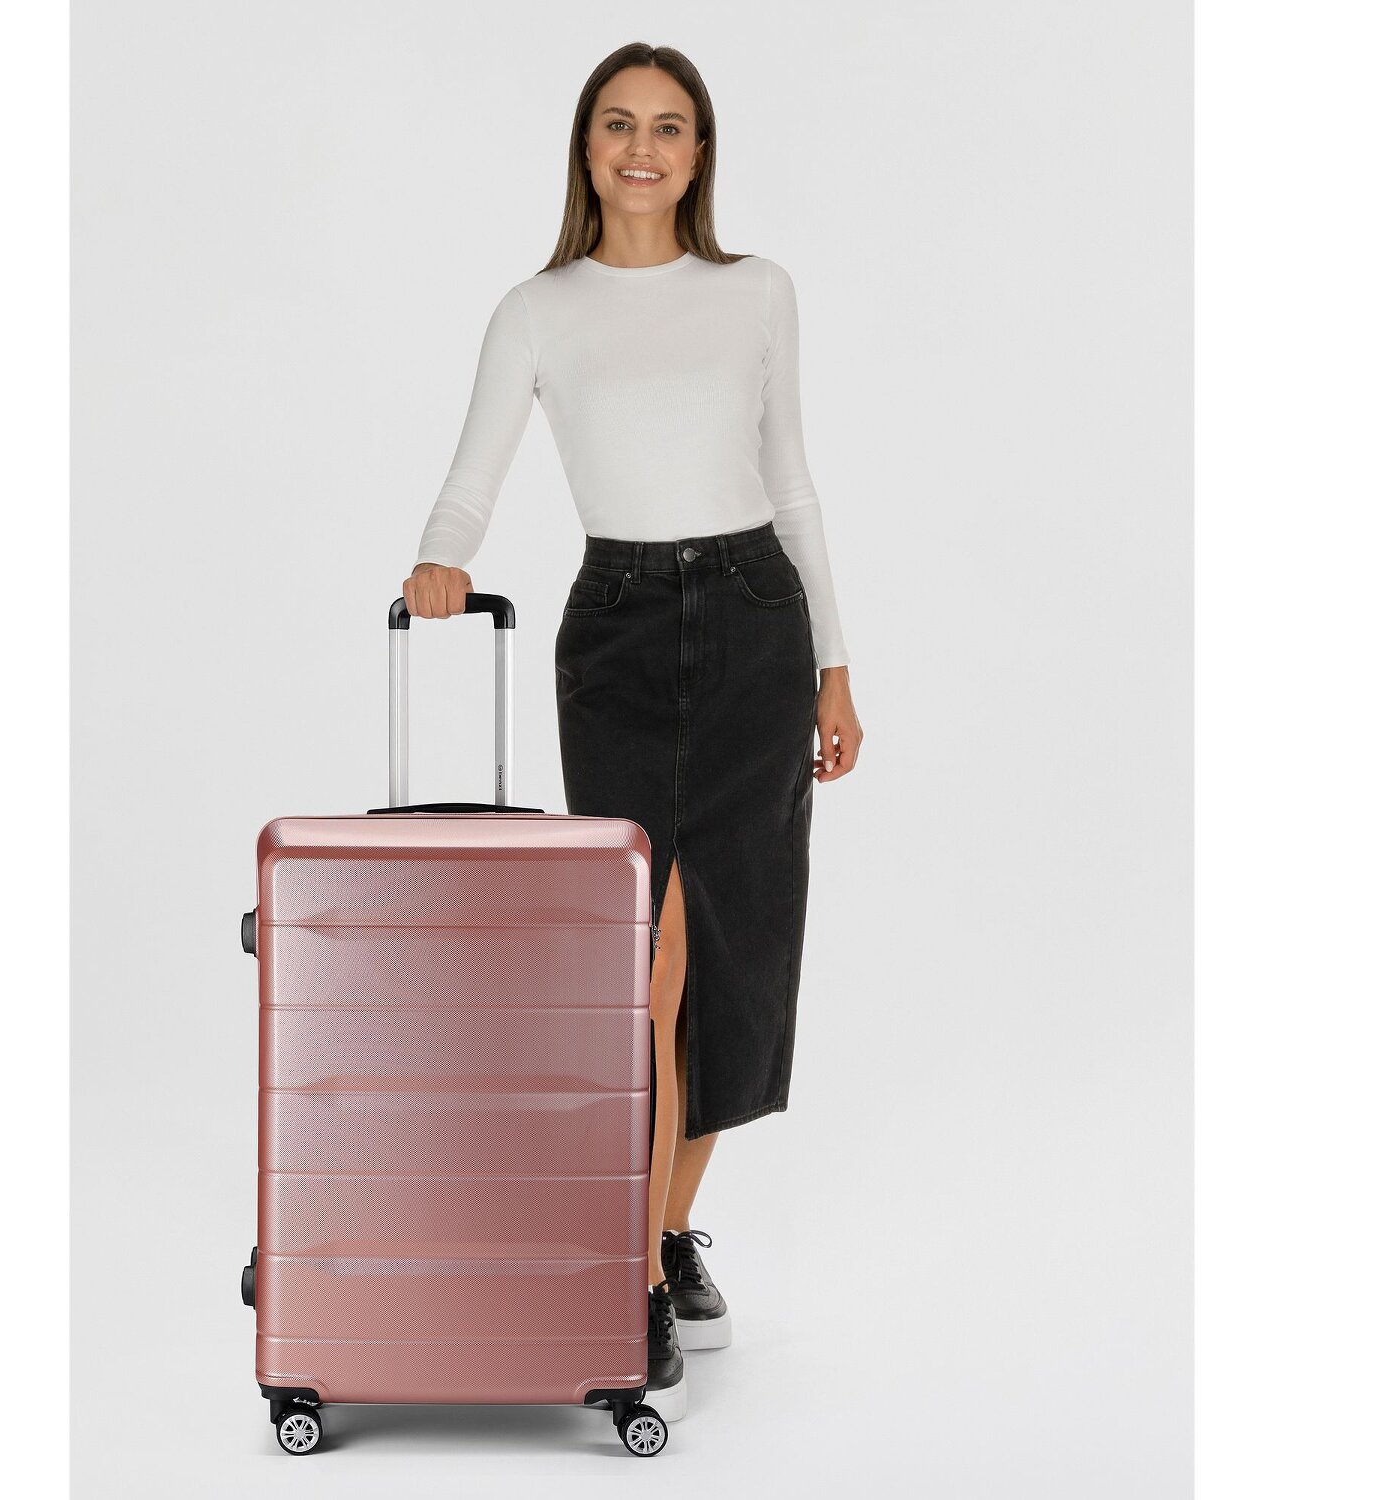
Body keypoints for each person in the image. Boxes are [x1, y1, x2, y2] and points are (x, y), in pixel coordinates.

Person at [401, 42, 863, 1422]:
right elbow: (472, 473)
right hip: (614, 632)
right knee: (640, 961)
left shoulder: (758, 291)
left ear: (700, 151)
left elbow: (792, 477)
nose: (643, 149)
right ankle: (634, 1272)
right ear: (586, 147)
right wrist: (437, 556)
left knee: (732, 952)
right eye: (619, 125)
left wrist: (835, 664)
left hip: (756, 620)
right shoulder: (537, 309)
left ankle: (661, 1231)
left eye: (669, 127)